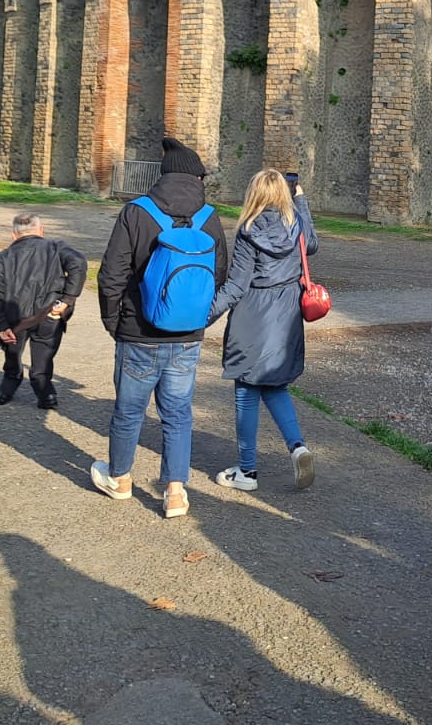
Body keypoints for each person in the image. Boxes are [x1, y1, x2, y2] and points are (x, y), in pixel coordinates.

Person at [94, 137, 228, 520]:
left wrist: (112, 322)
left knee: (128, 411)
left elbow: (111, 275)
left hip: (138, 332)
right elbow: (221, 275)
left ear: (163, 174)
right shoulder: (209, 217)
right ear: (196, 177)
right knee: (179, 414)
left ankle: (119, 480)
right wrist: (199, 317)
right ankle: (175, 492)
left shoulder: (137, 212)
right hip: (187, 337)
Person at [206, 168, 319, 493]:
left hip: (253, 317)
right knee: (275, 386)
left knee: (246, 392)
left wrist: (202, 318)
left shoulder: (248, 231)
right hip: (286, 319)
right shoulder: (295, 224)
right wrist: (302, 202)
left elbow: (237, 286)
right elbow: (311, 244)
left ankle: (247, 471)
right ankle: (298, 447)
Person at [0, 212, 87, 408]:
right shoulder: (56, 247)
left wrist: (0, 325)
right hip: (49, 314)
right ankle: (45, 393)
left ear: (14, 235)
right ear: (41, 231)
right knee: (44, 356)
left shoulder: (2, 257)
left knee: (12, 353)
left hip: (15, 317)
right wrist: (67, 299)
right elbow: (78, 263)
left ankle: (8, 386)